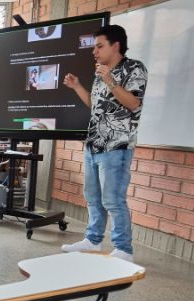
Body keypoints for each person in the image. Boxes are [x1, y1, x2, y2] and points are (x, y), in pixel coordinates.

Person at [61, 25, 147, 263]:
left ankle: (123, 249)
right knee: (93, 197)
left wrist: (110, 80)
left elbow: (133, 104)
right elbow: (95, 105)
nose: (94, 51)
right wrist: (77, 86)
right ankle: (93, 240)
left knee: (113, 199)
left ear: (115, 45)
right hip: (93, 144)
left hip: (116, 147)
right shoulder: (101, 72)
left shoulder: (134, 68)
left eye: (99, 46)